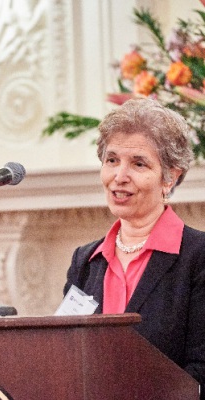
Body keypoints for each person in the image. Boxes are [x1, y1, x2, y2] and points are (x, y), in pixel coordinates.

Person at [63, 98, 205, 398]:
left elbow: (200, 369)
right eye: (112, 160)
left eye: (138, 164)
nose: (119, 176)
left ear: (170, 178)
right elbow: (67, 356)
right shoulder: (85, 262)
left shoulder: (198, 257)